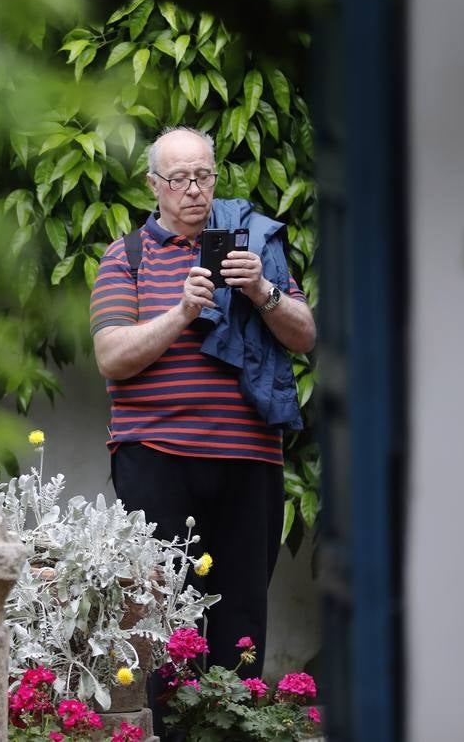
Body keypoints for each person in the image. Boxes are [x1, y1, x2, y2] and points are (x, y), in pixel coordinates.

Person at [89, 126, 316, 733]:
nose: (194, 190)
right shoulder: (125, 256)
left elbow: (306, 334)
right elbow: (112, 356)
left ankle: (234, 732)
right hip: (156, 457)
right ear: (153, 186)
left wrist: (262, 290)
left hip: (249, 458)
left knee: (242, 615)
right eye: (179, 179)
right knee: (167, 619)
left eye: (204, 176)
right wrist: (184, 311)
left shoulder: (253, 245)